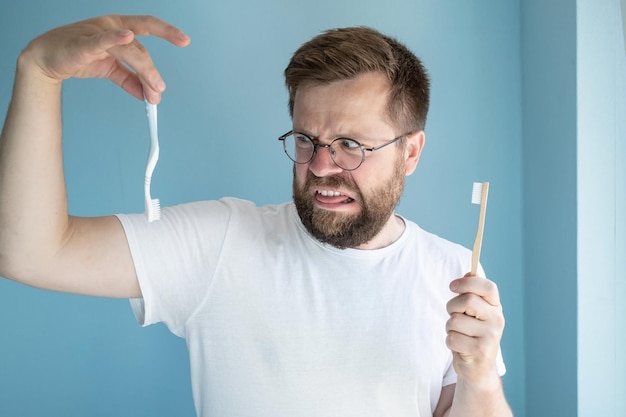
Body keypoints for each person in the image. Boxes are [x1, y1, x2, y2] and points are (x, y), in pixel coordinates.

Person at [0, 15, 512, 417]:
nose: (320, 167)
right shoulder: (221, 243)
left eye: (351, 145)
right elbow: (31, 252)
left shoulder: (454, 274)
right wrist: (39, 72)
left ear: (411, 152)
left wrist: (482, 379)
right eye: (306, 140)